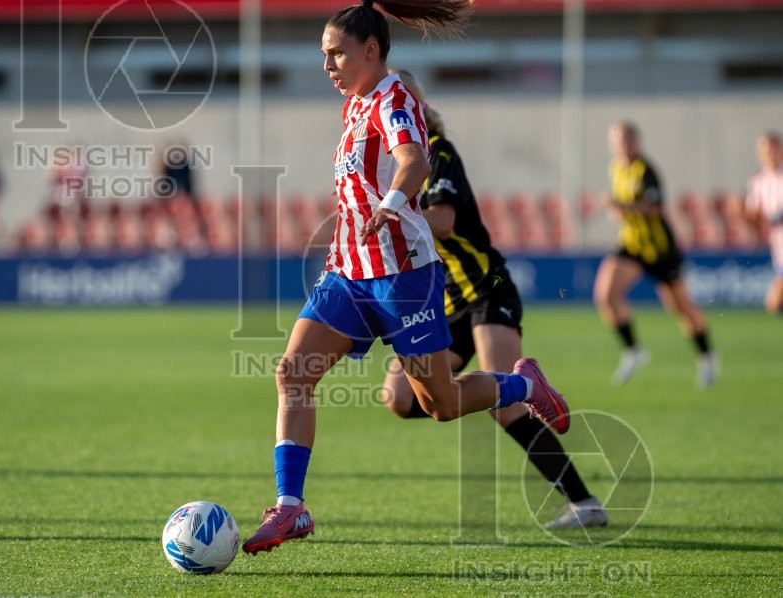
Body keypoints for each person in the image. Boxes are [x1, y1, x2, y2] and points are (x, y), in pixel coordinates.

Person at [242, 0, 571, 556]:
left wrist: (394, 200)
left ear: (371, 50)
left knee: (439, 404)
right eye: (324, 55)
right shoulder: (353, 104)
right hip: (349, 273)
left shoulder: (394, 96)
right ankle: (291, 509)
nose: (328, 65)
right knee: (293, 374)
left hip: (403, 278)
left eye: (336, 53)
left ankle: (522, 385)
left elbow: (413, 160)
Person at [381, 70, 606, 529]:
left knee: (507, 408)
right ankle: (492, 392)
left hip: (487, 290)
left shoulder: (436, 153)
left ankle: (585, 503)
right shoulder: (389, 168)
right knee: (401, 397)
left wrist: (388, 210)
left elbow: (441, 221)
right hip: (445, 303)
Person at [593, 122, 717, 387]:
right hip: (631, 245)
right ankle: (633, 351)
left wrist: (621, 206)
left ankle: (707, 357)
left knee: (681, 308)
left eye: (626, 139)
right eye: (617, 140)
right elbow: (623, 210)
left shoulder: (646, 171)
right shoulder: (615, 168)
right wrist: (617, 210)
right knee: (605, 295)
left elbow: (655, 209)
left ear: (637, 142)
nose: (622, 145)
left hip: (659, 250)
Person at [742, 132, 783, 314]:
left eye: (772, 149)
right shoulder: (757, 182)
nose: (768, 154)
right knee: (775, 305)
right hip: (778, 247)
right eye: (764, 150)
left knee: (774, 302)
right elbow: (754, 215)